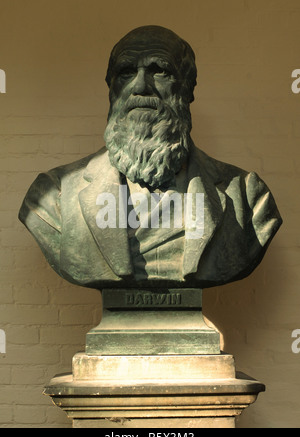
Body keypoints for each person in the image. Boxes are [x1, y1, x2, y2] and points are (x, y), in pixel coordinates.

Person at [19, 25, 282, 290]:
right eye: (126, 72)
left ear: (188, 87)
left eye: (160, 70)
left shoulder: (247, 196)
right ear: (111, 88)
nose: (141, 86)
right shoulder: (55, 195)